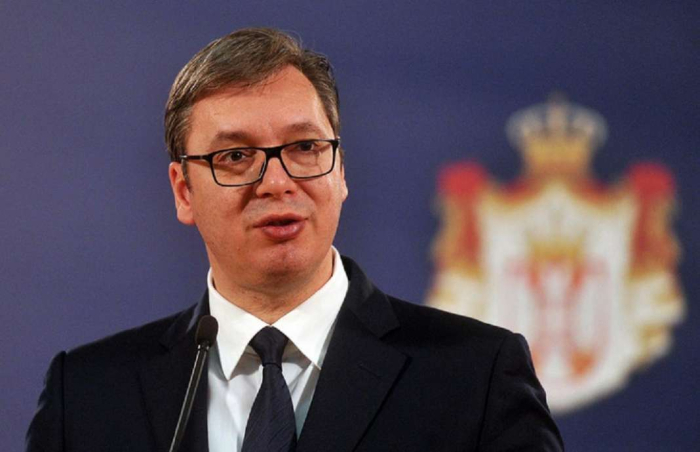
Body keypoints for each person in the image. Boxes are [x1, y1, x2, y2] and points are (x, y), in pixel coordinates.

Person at [26, 28, 564, 452]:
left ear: (341, 171)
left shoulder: (475, 375)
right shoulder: (90, 396)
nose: (277, 182)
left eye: (305, 147)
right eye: (235, 156)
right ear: (183, 191)